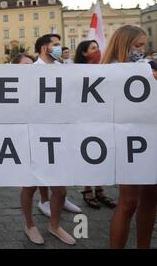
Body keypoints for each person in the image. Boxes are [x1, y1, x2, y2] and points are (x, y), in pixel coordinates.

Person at [20, 34, 80, 246]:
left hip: (59, 135)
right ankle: (29, 225)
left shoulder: (66, 71)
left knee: (60, 189)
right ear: (44, 48)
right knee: (30, 186)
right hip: (34, 135)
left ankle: (54, 225)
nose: (60, 48)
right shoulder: (28, 72)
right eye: (55, 45)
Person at [104, 25, 157, 249]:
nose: (141, 50)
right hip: (127, 142)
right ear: (122, 44)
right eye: (137, 45)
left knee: (151, 200)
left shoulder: (148, 68)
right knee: (128, 202)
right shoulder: (107, 71)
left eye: (143, 46)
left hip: (152, 138)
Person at [74, 40, 117, 210]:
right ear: (84, 53)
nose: (97, 50)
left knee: (101, 153)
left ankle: (99, 188)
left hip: (103, 117)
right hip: (84, 119)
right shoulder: (76, 71)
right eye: (93, 48)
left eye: (98, 47)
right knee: (87, 153)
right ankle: (87, 190)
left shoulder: (104, 68)